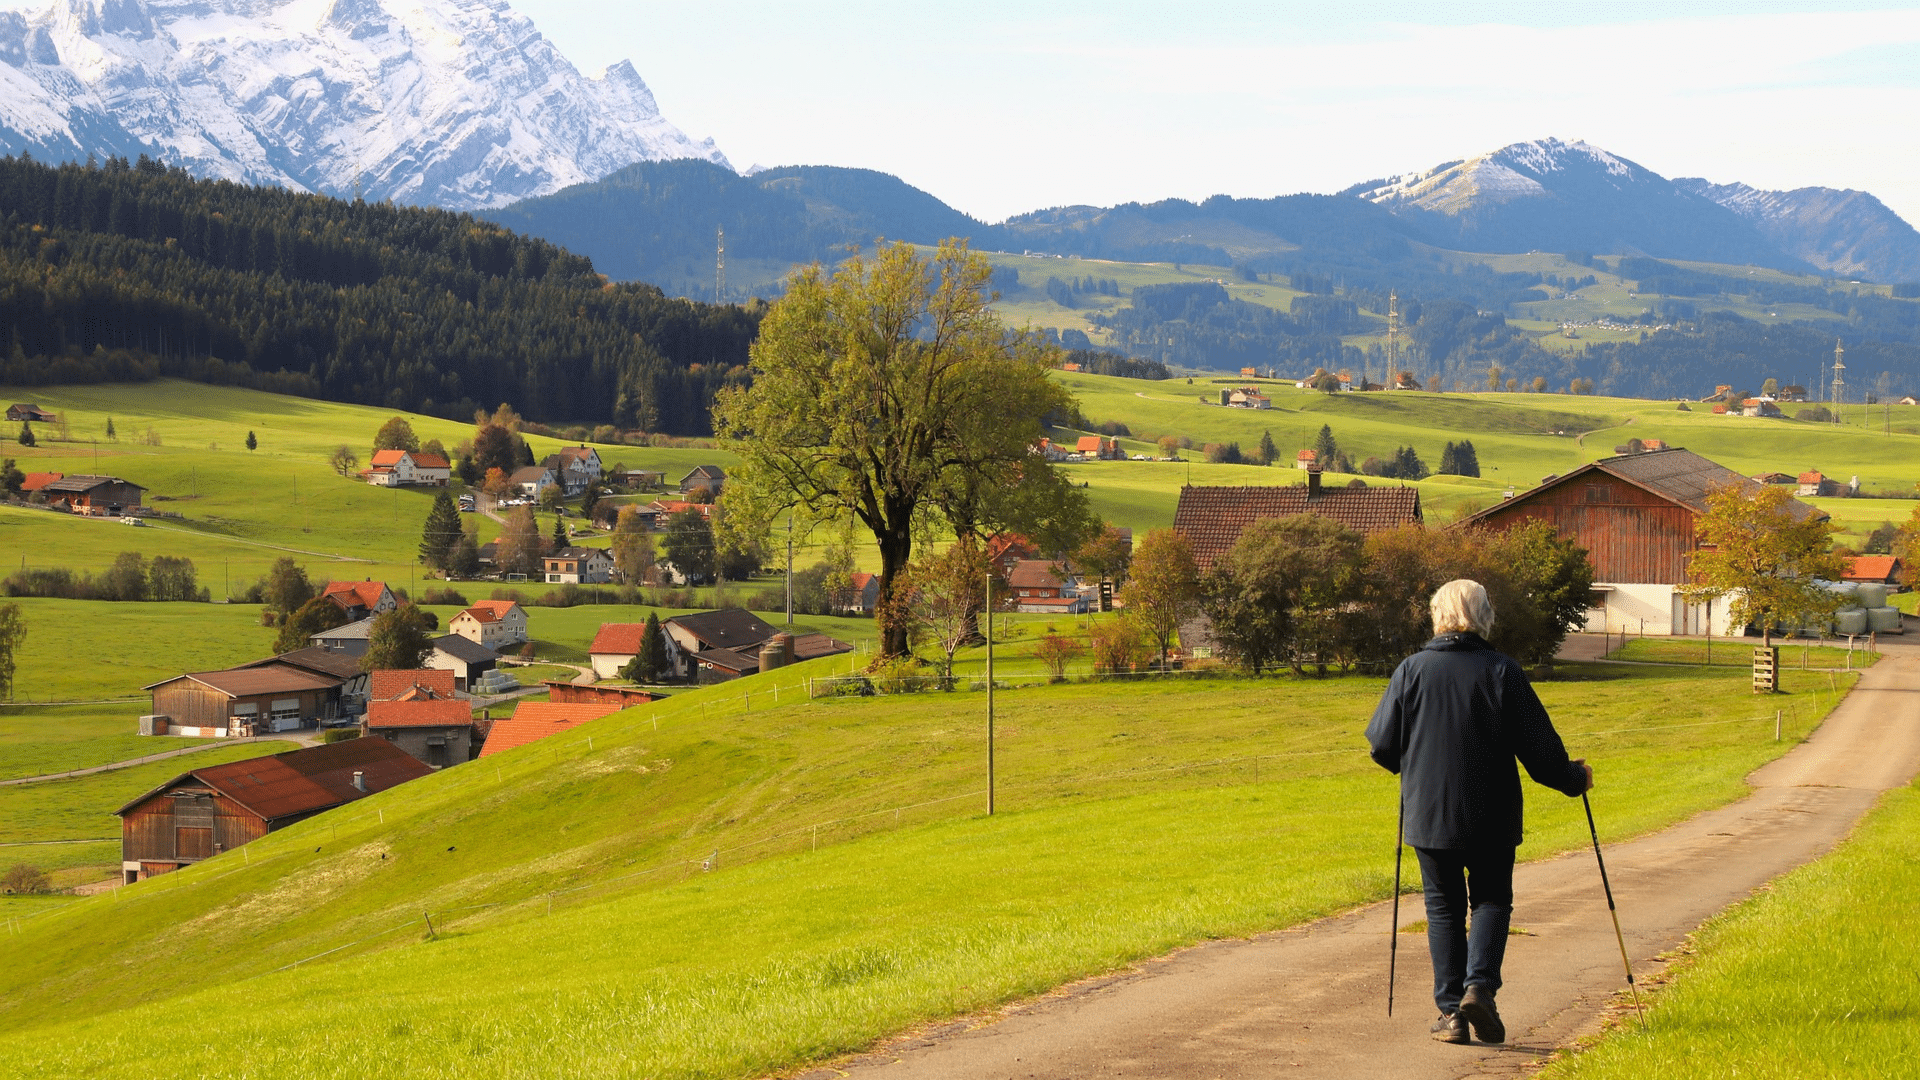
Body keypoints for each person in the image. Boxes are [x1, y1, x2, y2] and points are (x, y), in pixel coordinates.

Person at [1364, 579, 1593, 1045]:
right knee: (1490, 899)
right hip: (1492, 813)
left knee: (1443, 909)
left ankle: (1452, 1014)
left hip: (1429, 813)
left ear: (1438, 614)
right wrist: (1574, 778)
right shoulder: (1502, 670)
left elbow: (1383, 747)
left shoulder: (1411, 671)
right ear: (1483, 615)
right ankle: (1480, 990)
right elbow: (1541, 754)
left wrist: (1415, 762)